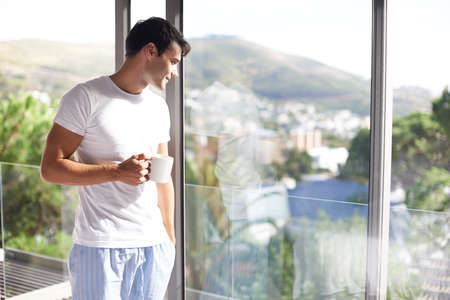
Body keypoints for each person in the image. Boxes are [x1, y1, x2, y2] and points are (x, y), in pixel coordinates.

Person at [40, 17, 191, 300]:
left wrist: (169, 239)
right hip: (99, 247)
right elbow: (50, 168)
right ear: (149, 51)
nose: (175, 72)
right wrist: (116, 172)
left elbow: (163, 178)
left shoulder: (158, 108)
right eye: (172, 61)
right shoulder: (85, 97)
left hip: (153, 248)